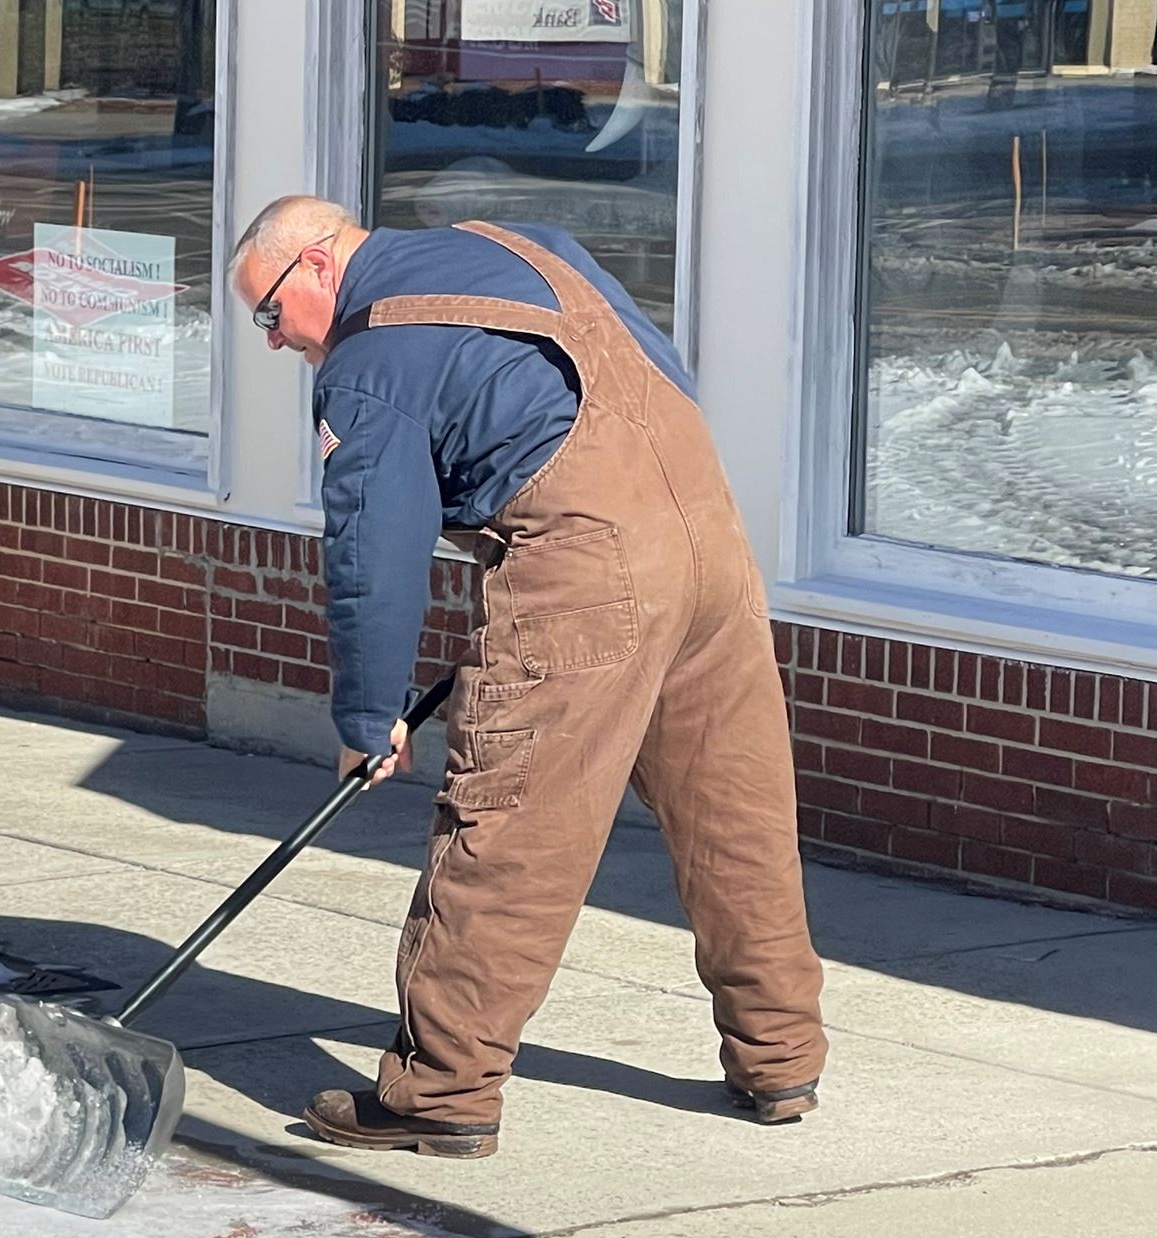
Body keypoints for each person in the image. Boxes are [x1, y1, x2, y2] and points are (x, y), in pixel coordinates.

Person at [227, 195, 829, 1159]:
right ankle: (781, 1055)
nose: (273, 342)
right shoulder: (515, 244)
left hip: (588, 566)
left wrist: (368, 711)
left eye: (268, 315)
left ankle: (440, 1090)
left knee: (508, 829)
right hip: (710, 538)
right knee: (736, 814)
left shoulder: (370, 358)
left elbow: (370, 555)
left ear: (319, 264)